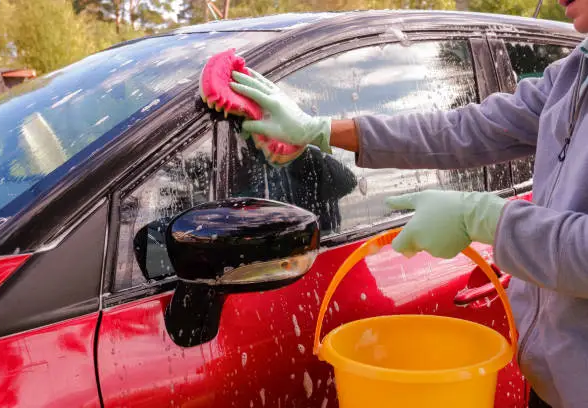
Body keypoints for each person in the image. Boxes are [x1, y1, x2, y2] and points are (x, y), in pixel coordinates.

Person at [228, 2, 588, 407]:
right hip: (552, 386)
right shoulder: (574, 74)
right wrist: (323, 130)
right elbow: (467, 130)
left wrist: (486, 218)